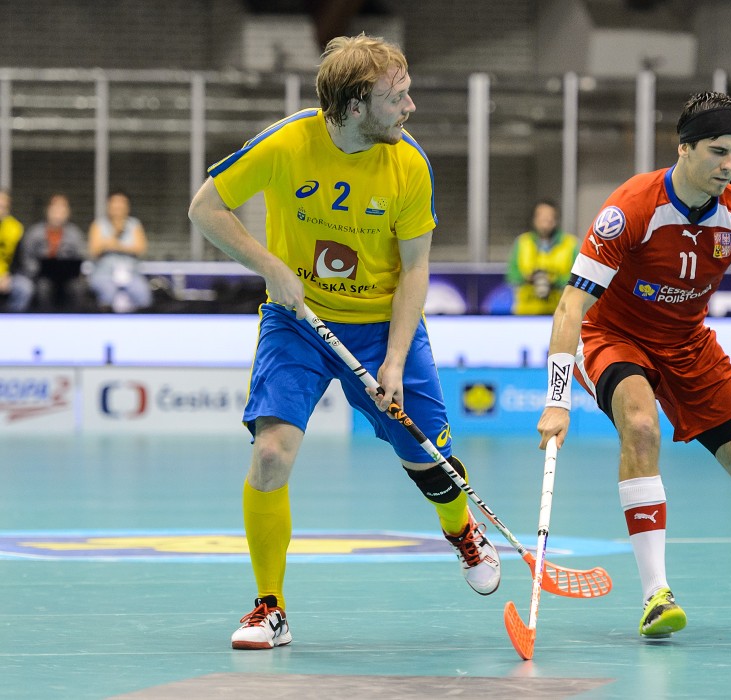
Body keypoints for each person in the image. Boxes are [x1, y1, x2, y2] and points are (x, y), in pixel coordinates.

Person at [188, 33, 500, 651]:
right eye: (397, 97)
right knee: (271, 454)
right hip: (297, 320)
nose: (409, 108)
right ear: (355, 106)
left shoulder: (408, 164)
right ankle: (269, 607)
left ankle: (462, 529)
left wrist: (392, 359)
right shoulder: (288, 142)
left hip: (385, 325)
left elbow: (416, 270)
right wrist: (272, 268)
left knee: (430, 464)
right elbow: (207, 208)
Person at [536, 92, 731, 638]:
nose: (728, 165)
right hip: (615, 336)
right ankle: (656, 593)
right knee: (639, 425)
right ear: (684, 149)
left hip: (688, 346)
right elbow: (570, 307)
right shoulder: (631, 207)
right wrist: (556, 400)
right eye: (717, 151)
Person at [506, 200, 579, 315]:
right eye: (541, 216)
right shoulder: (522, 242)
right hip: (526, 313)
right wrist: (529, 278)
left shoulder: (570, 244)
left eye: (549, 216)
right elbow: (511, 275)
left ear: (556, 219)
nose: (545, 220)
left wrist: (554, 281)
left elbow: (578, 278)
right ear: (534, 219)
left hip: (560, 313)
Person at [18, 193, 87, 311]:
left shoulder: (75, 233)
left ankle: (75, 322)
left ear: (68, 212)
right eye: (55, 208)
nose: (58, 212)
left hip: (69, 277)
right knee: (43, 287)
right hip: (41, 277)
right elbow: (26, 258)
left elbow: (82, 257)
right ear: (48, 210)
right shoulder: (34, 232)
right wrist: (38, 270)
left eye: (62, 208)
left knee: (78, 288)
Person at [86, 190, 152, 313]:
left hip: (131, 275)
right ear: (108, 205)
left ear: (127, 207)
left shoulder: (134, 224)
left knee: (142, 293)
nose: (118, 207)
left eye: (121, 203)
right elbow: (94, 250)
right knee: (108, 292)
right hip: (104, 275)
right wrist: (115, 238)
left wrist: (113, 245)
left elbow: (140, 248)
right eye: (114, 203)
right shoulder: (98, 225)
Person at [0, 189, 32, 312]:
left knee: (25, 288)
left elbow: (19, 261)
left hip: (8, 276)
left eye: (3, 207)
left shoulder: (16, 228)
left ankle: (11, 321)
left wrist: (8, 277)